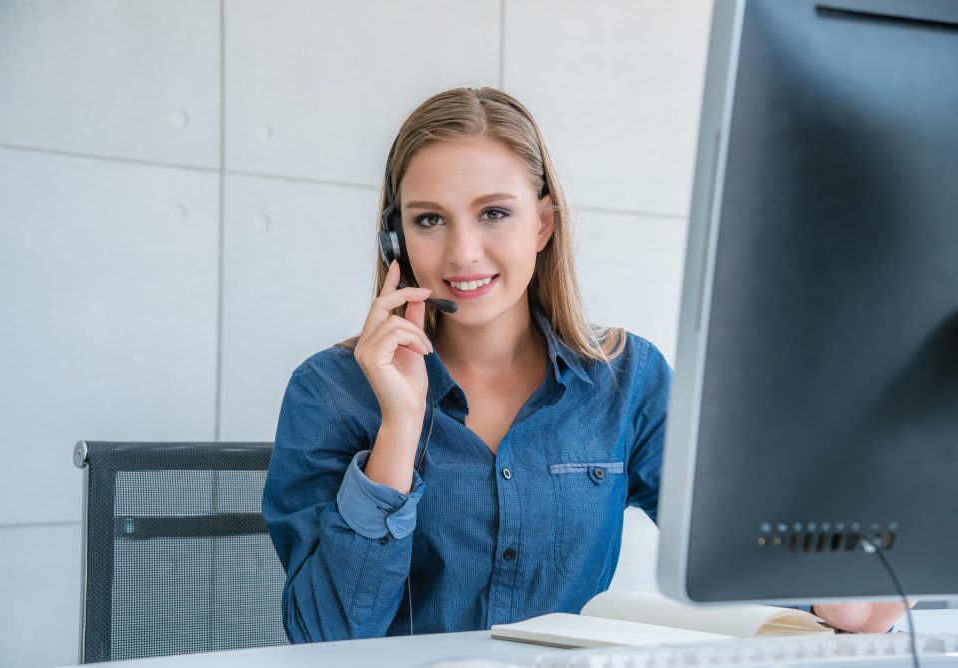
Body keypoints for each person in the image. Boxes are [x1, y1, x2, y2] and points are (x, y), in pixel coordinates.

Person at [262, 87, 911, 644]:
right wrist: (399, 429)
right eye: (429, 219)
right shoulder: (332, 391)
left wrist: (830, 599)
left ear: (543, 224)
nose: (463, 253)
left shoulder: (627, 381)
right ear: (395, 238)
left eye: (494, 213)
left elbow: (727, 538)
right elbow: (325, 636)